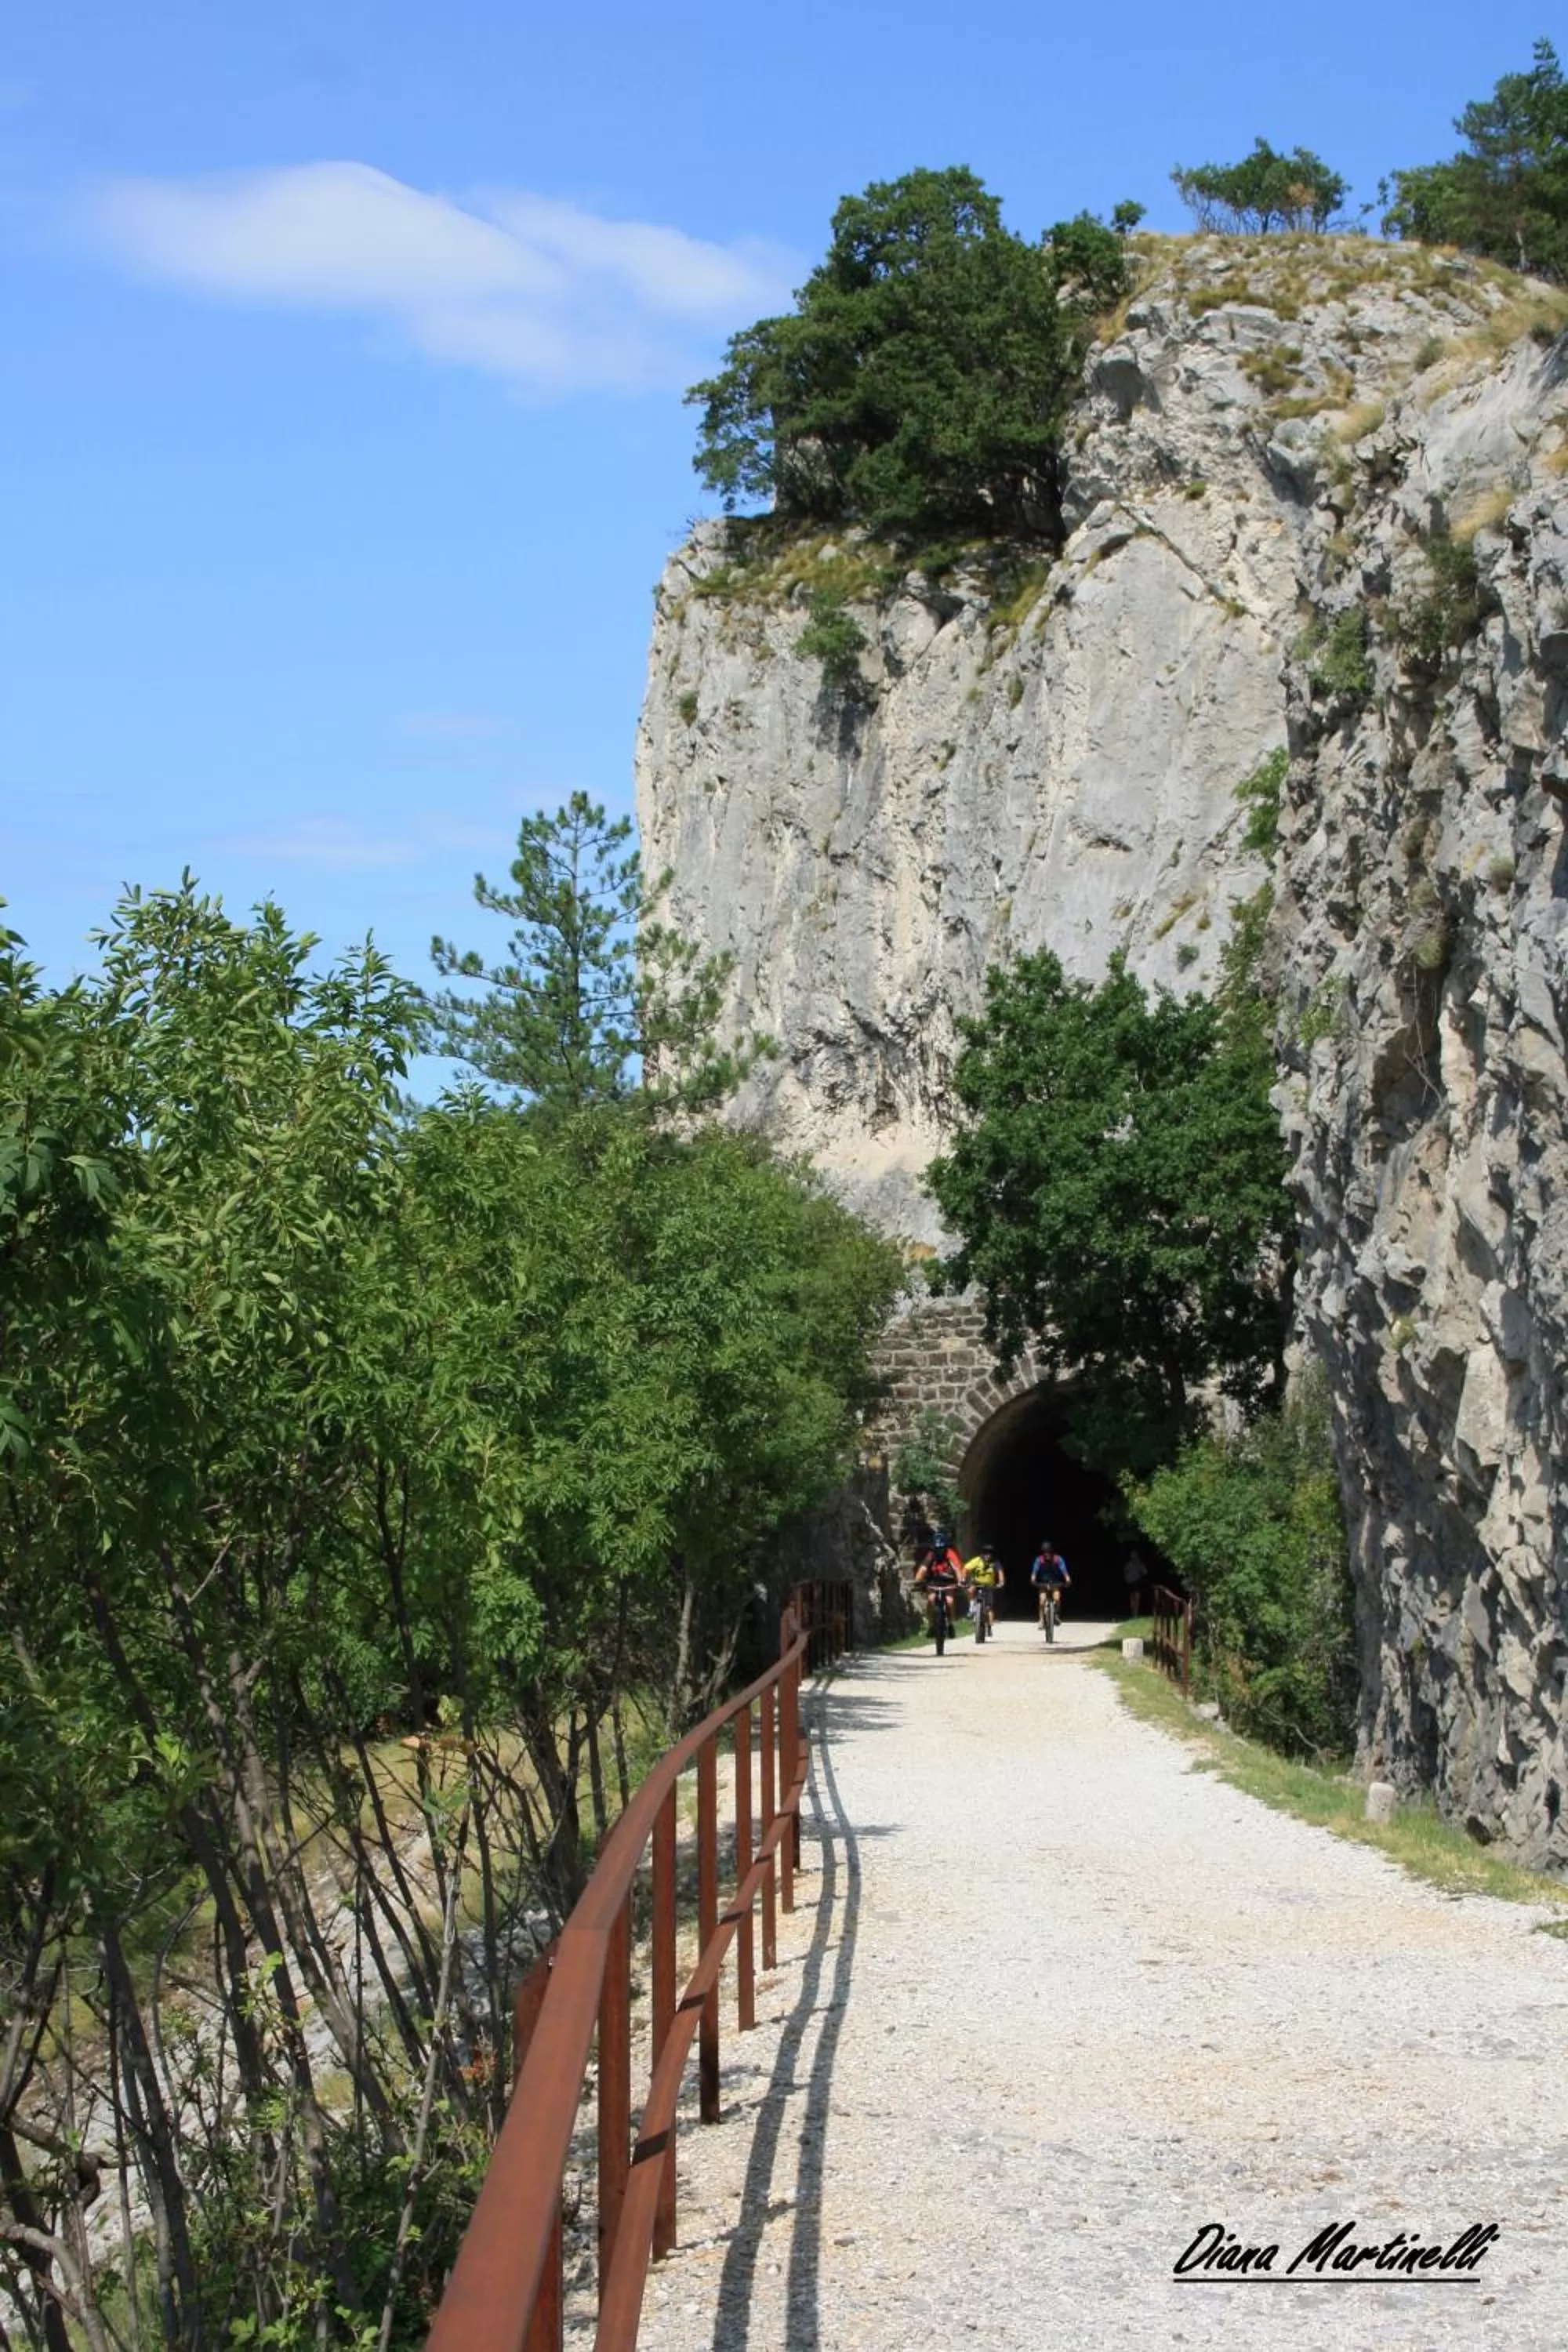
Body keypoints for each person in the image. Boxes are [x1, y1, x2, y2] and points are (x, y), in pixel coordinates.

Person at [914, 1528, 964, 1641]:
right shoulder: (931, 1554)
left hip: (948, 1582)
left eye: (941, 1548)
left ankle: (951, 1624)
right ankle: (931, 1625)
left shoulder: (950, 1553)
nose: (939, 1551)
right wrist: (917, 1580)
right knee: (931, 1600)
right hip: (934, 1582)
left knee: (950, 1602)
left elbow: (957, 1568)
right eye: (937, 1548)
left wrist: (960, 1581)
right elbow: (923, 1568)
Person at [963, 1542, 1005, 1637]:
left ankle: (989, 1626)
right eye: (986, 1553)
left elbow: (1000, 1572)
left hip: (989, 1585)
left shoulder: (995, 1562)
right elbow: (966, 1568)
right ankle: (971, 1607)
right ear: (982, 1553)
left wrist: (1001, 1582)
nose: (988, 1555)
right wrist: (964, 1579)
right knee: (970, 1590)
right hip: (976, 1583)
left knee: (989, 1608)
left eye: (990, 1553)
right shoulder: (977, 1560)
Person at [1030, 1539, 1070, 1632]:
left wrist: (1067, 1579)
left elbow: (1064, 1570)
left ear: (1052, 1552)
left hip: (1055, 1581)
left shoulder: (1058, 1559)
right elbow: (1034, 1571)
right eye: (1045, 1552)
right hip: (1043, 1582)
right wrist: (1033, 1578)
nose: (1047, 1554)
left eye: (1048, 1552)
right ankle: (1041, 1620)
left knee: (1057, 1598)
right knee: (1042, 1601)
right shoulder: (1039, 1560)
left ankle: (1056, 1615)